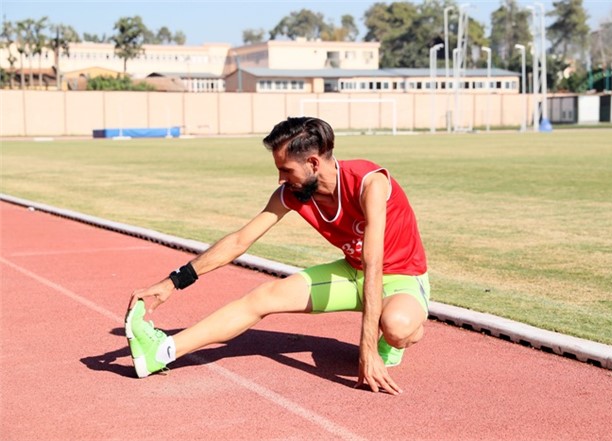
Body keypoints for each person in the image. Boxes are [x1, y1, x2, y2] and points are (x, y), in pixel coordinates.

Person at [126, 117, 429, 395]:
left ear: (312, 162)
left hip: (401, 277)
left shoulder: (369, 183)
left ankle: (396, 340)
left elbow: (374, 263)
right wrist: (172, 282)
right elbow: (239, 241)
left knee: (397, 327)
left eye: (286, 170)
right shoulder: (291, 194)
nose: (280, 179)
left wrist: (367, 348)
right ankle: (162, 351)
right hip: (353, 272)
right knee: (261, 298)